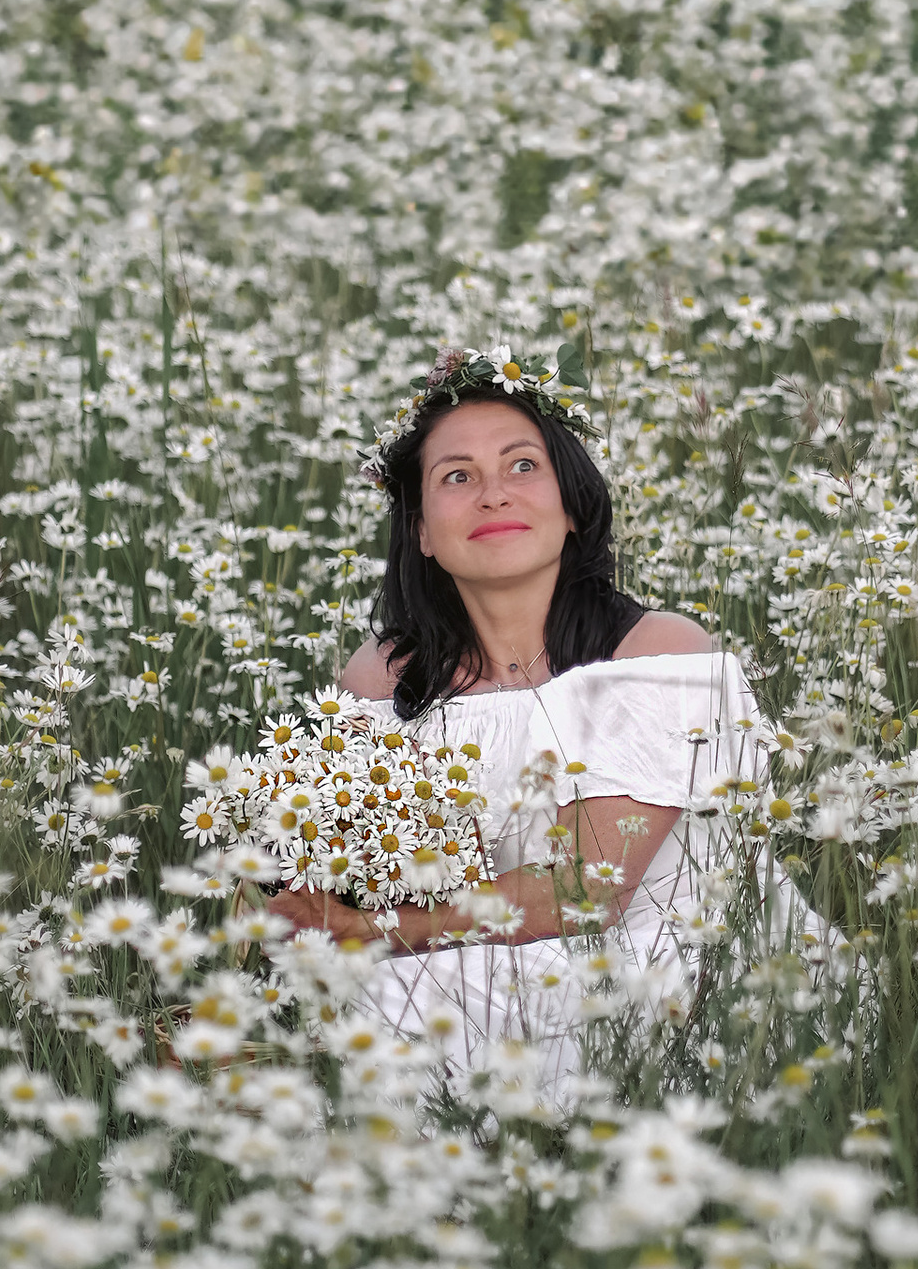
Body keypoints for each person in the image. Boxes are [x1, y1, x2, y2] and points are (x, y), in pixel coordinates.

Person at [265, 351, 774, 1091]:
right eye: (457, 477)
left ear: (572, 506)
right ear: (423, 533)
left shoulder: (658, 651)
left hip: (664, 959)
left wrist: (369, 932)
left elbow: (585, 889)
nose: (493, 495)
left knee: (398, 1006)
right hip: (457, 955)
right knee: (363, 1008)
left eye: (522, 467)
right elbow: (364, 866)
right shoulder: (383, 678)